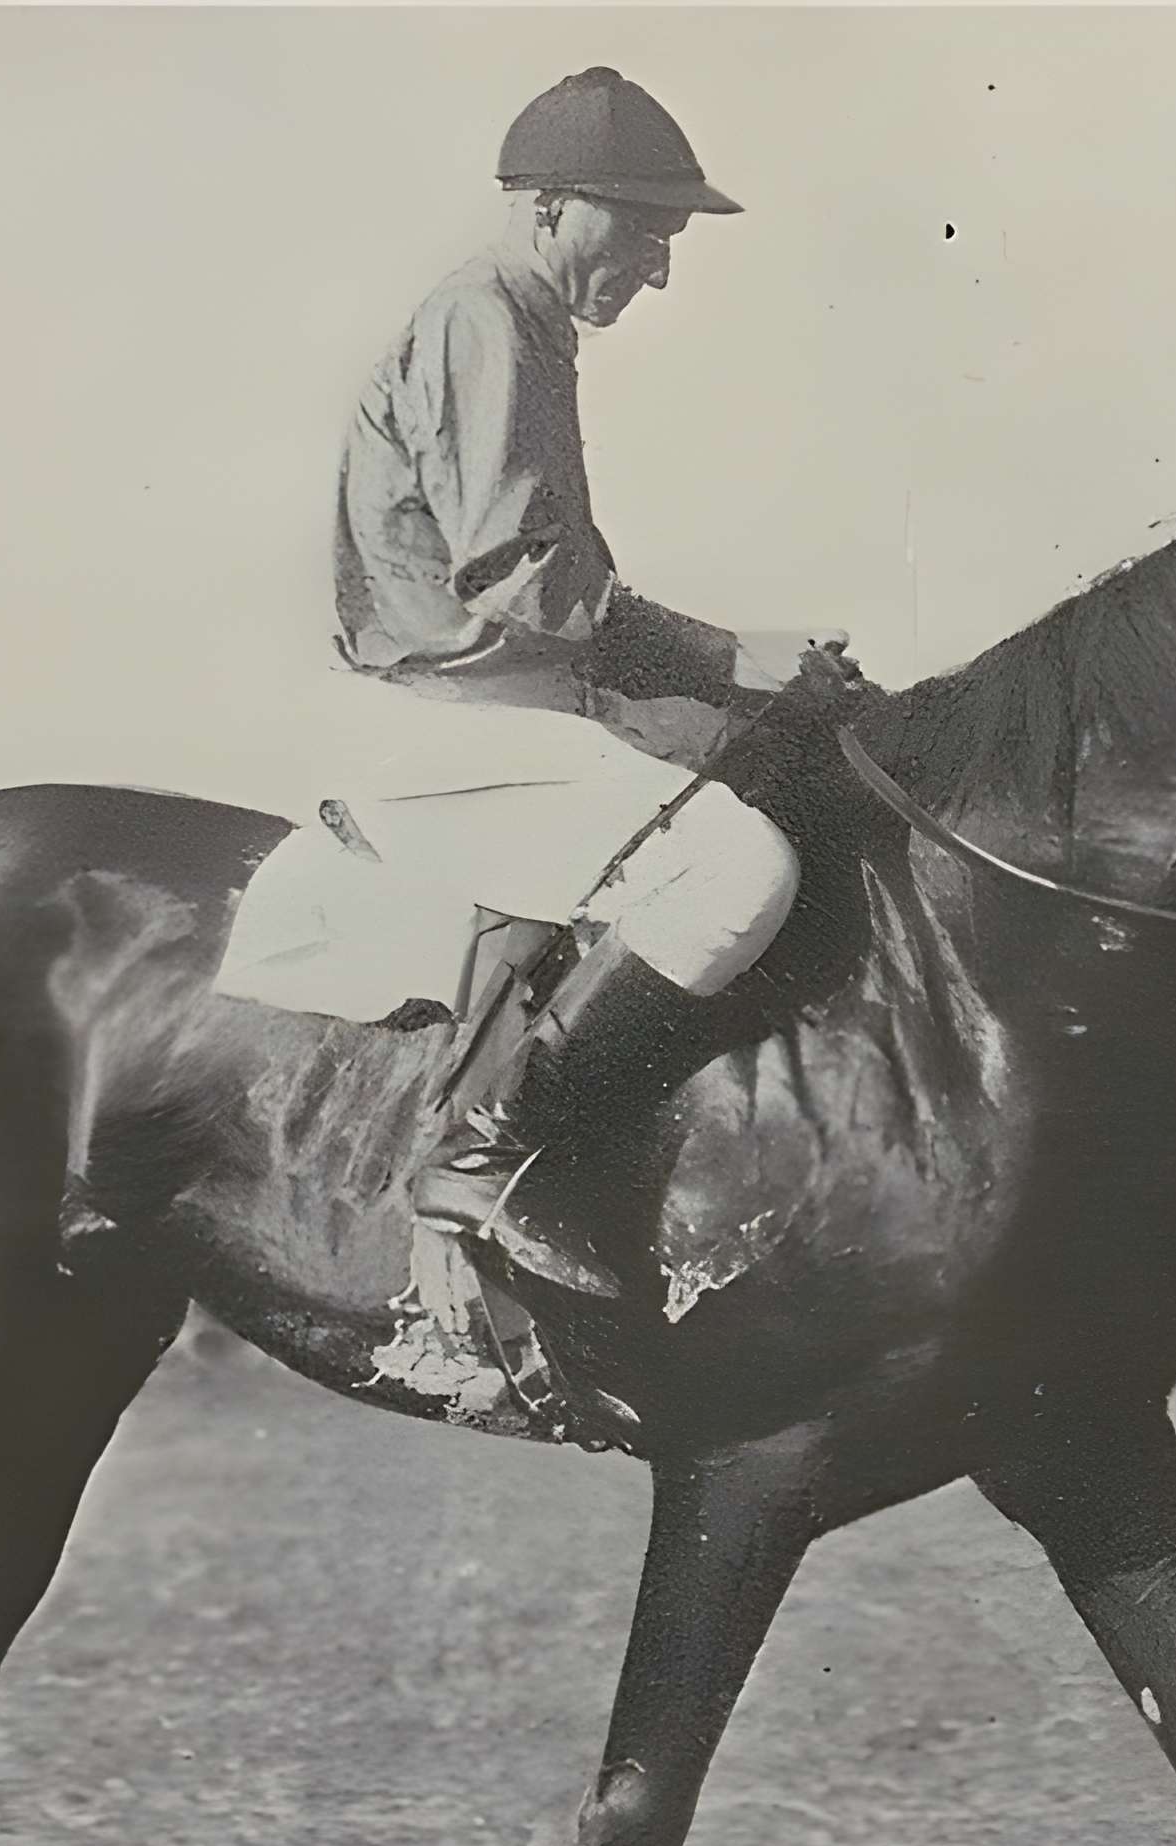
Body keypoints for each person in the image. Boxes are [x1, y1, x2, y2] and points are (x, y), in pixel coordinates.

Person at [331, 64, 862, 1298]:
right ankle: (480, 1153)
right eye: (645, 232)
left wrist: (747, 675)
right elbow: (521, 576)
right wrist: (729, 656)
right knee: (739, 868)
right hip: (454, 713)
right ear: (552, 208)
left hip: (514, 696)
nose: (659, 270)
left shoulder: (524, 321)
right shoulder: (482, 320)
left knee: (781, 752)